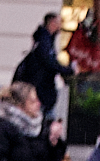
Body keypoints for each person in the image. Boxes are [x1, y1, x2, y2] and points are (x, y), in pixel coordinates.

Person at [12, 14, 69, 144]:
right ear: (52, 23)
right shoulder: (45, 42)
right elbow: (49, 63)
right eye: (58, 22)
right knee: (45, 124)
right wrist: (67, 69)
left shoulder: (43, 41)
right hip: (42, 90)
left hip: (42, 90)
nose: (60, 26)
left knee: (45, 121)